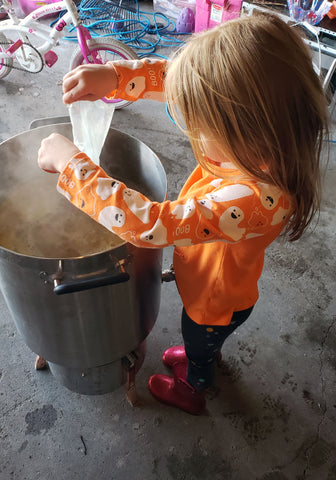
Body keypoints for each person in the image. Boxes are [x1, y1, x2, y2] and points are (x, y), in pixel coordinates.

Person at [38, 13, 328, 415]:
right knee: (202, 340)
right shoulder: (262, 148)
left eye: (196, 122)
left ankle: (194, 385)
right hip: (215, 281)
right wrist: (114, 78)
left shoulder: (250, 200)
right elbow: (178, 79)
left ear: (242, 133)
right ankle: (203, 353)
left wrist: (74, 167)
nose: (185, 122)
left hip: (215, 300)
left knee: (199, 337)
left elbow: (148, 225)